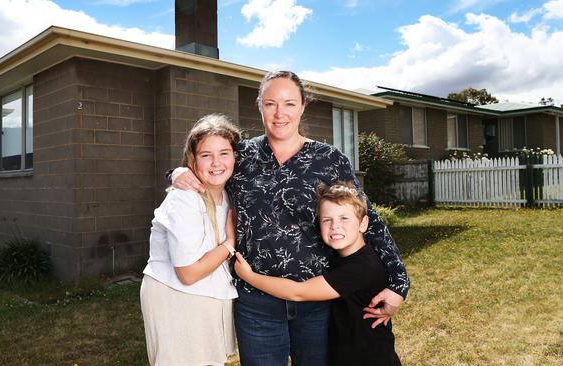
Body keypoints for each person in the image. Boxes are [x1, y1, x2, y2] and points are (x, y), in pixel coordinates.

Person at [171, 70, 410, 366]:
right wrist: (178, 172)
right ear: (260, 106)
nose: (279, 113)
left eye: (289, 103)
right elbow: (204, 164)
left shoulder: (328, 159)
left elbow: (368, 219)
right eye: (270, 104)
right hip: (255, 303)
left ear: (303, 105)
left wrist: (399, 284)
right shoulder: (241, 156)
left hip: (317, 303)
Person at [234, 181, 402, 366]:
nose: (335, 226)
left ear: (363, 224)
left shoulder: (362, 267)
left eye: (344, 218)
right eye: (327, 220)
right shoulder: (344, 255)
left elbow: (298, 292)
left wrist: (249, 276)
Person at [140, 114, 241, 366]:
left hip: (207, 297)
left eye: (224, 153)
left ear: (235, 156)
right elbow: (188, 273)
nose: (216, 162)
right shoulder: (184, 199)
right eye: (206, 155)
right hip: (176, 297)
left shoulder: (228, 194)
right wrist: (230, 243)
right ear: (193, 160)